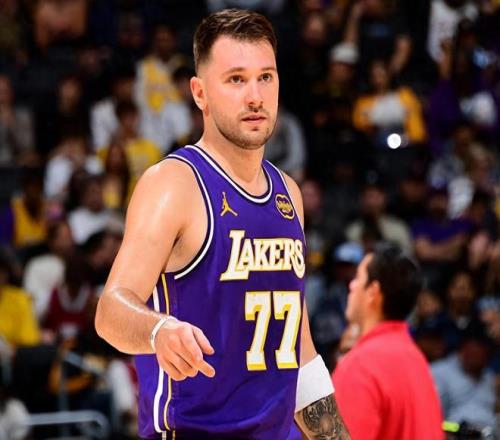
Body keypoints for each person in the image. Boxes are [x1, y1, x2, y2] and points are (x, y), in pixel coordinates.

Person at [95, 9, 349, 440]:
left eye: (265, 77)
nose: (255, 96)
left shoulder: (289, 194)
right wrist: (158, 330)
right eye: (236, 79)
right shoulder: (174, 183)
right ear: (200, 93)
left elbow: (301, 353)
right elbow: (110, 311)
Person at [332, 245, 443, 440]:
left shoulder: (359, 366)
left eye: (358, 278)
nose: (351, 285)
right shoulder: (416, 359)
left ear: (373, 292)